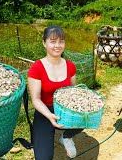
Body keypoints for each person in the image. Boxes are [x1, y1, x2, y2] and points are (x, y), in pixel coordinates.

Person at [27, 25, 83, 159]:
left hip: (64, 110)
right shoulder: (36, 68)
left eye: (61, 41)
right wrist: (49, 115)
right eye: (53, 41)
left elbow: (72, 92)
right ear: (44, 43)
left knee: (87, 116)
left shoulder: (70, 66)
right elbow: (35, 99)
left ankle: (67, 136)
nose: (57, 45)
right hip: (44, 112)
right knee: (43, 157)